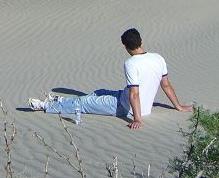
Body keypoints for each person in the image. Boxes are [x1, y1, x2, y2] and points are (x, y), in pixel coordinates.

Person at [27, 28, 193, 129]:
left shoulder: (131, 63)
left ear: (125, 46)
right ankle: (61, 100)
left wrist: (136, 119)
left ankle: (46, 105)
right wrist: (178, 106)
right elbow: (166, 85)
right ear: (141, 41)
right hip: (129, 100)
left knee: (83, 104)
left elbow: (134, 94)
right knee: (99, 92)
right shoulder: (158, 57)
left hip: (126, 107)